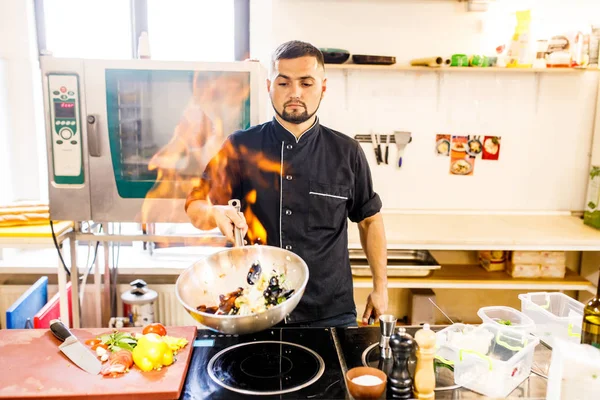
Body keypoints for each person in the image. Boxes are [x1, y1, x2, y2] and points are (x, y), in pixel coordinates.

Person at [185, 40, 388, 328]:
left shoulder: (347, 152)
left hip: (330, 313)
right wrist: (214, 212)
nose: (295, 93)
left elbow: (370, 221)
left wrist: (381, 287)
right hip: (255, 309)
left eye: (306, 83)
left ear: (323, 87)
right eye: (284, 83)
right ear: (269, 86)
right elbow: (195, 205)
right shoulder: (241, 147)